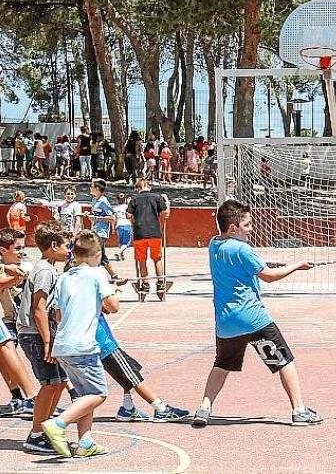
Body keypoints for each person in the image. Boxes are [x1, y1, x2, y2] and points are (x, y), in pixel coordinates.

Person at [191, 200, 322, 428]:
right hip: (253, 320)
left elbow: (249, 266)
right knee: (284, 361)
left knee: (221, 365)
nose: (251, 229)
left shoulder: (213, 244)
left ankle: (204, 408)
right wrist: (297, 266)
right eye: (247, 225)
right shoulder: (242, 249)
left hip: (226, 322)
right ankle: (299, 410)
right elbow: (268, 276)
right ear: (233, 228)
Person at [42, 230, 118, 458]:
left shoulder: (64, 277)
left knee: (85, 394)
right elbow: (113, 306)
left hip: (64, 344)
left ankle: (85, 441)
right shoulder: (97, 274)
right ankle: (58, 423)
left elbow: (57, 314)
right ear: (97, 254)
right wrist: (112, 289)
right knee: (98, 393)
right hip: (83, 344)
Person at [17, 221, 71, 454]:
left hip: (44, 333)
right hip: (35, 334)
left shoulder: (50, 268)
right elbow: (38, 309)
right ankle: (36, 434)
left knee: (59, 382)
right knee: (49, 384)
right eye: (66, 245)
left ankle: (46, 428)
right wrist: (48, 342)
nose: (69, 250)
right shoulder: (44, 271)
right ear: (53, 245)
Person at [97, 307, 189, 422]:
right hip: (105, 344)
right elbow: (112, 306)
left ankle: (128, 409)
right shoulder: (90, 295)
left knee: (128, 373)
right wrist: (109, 296)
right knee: (133, 377)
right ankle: (161, 409)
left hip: (98, 343)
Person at [0, 228, 37, 418]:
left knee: (6, 350)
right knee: (6, 350)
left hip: (24, 320)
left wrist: (16, 274)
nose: (21, 252)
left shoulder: (24, 265)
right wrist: (15, 275)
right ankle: (28, 398)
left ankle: (28, 398)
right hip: (9, 319)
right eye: (17, 248)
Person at [127, 179, 170, 296]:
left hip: (139, 233)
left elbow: (129, 215)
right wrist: (167, 202)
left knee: (141, 260)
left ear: (138, 188)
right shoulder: (157, 198)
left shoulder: (134, 199)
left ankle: (145, 284)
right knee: (157, 258)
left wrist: (133, 219)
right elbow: (166, 213)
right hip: (155, 232)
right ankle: (160, 282)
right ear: (148, 187)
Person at [86, 179, 125, 284]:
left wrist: (97, 218)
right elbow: (95, 215)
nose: (90, 188)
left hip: (101, 232)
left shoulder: (104, 201)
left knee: (98, 254)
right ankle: (112, 276)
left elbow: (112, 217)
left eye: (92, 186)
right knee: (99, 254)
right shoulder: (94, 200)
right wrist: (90, 216)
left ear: (97, 189)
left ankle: (111, 276)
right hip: (94, 231)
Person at [113, 194, 133, 261]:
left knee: (121, 241)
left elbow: (114, 219)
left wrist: (113, 228)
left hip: (119, 226)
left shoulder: (115, 208)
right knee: (126, 243)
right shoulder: (128, 207)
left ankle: (121, 255)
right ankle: (118, 252)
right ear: (125, 199)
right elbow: (130, 215)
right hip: (127, 225)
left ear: (117, 200)